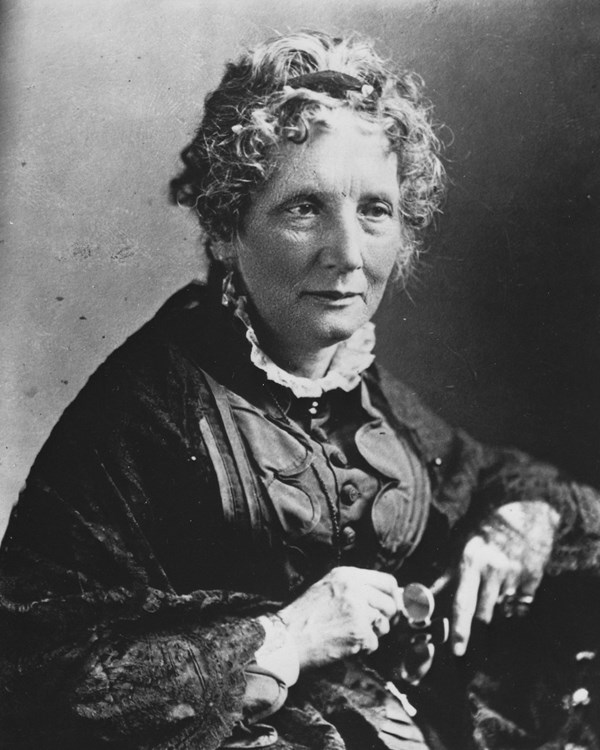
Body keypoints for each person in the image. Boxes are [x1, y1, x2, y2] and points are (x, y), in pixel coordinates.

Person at [1, 29, 600, 750]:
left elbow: (496, 476)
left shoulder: (362, 390)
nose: (347, 254)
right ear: (227, 228)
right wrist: (288, 635)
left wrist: (515, 528)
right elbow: (31, 682)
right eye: (303, 208)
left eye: (374, 210)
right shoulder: (144, 410)